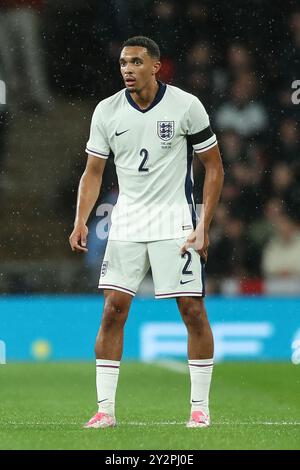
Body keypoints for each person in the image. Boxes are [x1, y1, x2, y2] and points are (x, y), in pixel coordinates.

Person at [69, 36, 224, 429]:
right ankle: (105, 410)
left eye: (136, 62)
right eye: (123, 62)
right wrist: (80, 219)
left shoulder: (186, 105)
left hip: (176, 223)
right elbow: (93, 172)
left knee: (192, 311)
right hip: (126, 223)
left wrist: (203, 226)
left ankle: (199, 408)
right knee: (112, 312)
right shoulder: (107, 111)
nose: (127, 69)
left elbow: (215, 167)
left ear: (156, 66)